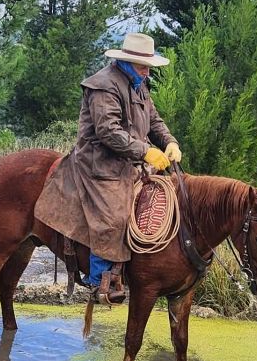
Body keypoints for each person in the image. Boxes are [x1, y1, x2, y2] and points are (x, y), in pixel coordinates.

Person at [34, 33, 182, 302]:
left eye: (149, 66)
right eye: (142, 65)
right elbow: (108, 131)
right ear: (126, 61)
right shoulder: (103, 85)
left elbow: (154, 120)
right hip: (98, 164)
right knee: (113, 215)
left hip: (128, 161)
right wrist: (146, 150)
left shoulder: (138, 84)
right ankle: (101, 278)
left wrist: (169, 142)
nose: (147, 71)